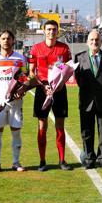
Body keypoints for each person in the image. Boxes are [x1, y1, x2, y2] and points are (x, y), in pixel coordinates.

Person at [28, 19, 72, 171]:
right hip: (42, 89)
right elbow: (31, 72)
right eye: (49, 29)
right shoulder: (36, 49)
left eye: (54, 29)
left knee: (60, 125)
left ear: (57, 31)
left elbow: (67, 68)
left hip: (59, 90)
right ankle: (42, 161)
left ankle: (62, 160)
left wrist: (59, 83)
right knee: (42, 125)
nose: (51, 32)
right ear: (44, 31)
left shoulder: (64, 49)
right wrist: (43, 85)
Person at [0, 30, 26, 173]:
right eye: (3, 38)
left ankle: (16, 162)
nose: (6, 41)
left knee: (16, 132)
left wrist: (22, 90)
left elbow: (24, 78)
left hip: (16, 102)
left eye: (8, 38)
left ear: (13, 40)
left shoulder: (21, 58)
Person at [75, 30, 102, 169]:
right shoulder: (79, 58)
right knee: (86, 132)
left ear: (101, 42)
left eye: (97, 40)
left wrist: (101, 91)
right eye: (91, 40)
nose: (94, 42)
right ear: (87, 42)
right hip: (86, 101)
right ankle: (89, 158)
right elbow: (78, 79)